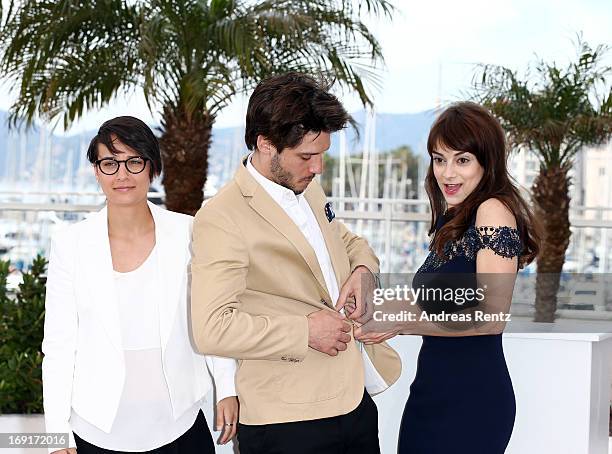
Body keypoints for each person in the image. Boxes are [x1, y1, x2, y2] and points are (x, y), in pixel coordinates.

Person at [189, 72, 402, 454]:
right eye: (307, 156)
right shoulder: (221, 216)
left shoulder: (307, 184)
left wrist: (363, 272)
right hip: (284, 422)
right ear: (266, 144)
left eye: (322, 154)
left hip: (354, 403)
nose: (318, 167)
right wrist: (304, 331)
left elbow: (349, 241)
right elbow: (211, 329)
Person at [42, 116, 238, 454]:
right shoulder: (70, 243)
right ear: (96, 170)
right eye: (109, 163)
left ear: (153, 168)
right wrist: (57, 437)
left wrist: (227, 387)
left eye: (134, 161)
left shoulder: (188, 232)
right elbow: (58, 347)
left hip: (180, 422)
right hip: (95, 428)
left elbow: (211, 315)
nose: (122, 174)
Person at [357, 102, 538, 454]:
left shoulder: (492, 211)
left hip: (472, 401)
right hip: (432, 392)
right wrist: (375, 306)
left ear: (488, 162)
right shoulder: (454, 219)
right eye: (439, 159)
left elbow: (491, 318)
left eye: (462, 160)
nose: (447, 173)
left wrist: (405, 322)